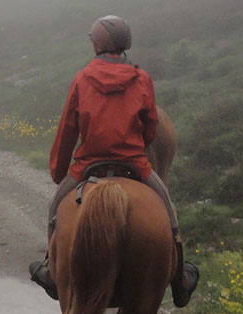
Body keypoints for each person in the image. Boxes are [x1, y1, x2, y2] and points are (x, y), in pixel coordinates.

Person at [28, 15, 199, 307]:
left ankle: (52, 270)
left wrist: (59, 172)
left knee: (56, 209)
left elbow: (69, 129)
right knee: (167, 211)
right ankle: (180, 278)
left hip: (88, 164)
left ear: (96, 44)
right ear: (125, 44)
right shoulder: (142, 78)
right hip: (134, 163)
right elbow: (150, 127)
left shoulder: (82, 78)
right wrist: (137, 146)